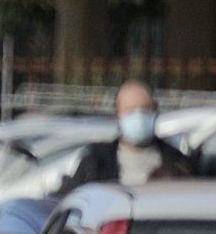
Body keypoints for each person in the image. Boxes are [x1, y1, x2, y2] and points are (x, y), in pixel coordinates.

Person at [66, 81, 198, 189]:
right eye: (130, 111)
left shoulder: (176, 160)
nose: (139, 116)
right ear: (118, 115)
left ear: (155, 111)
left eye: (145, 109)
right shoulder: (97, 161)